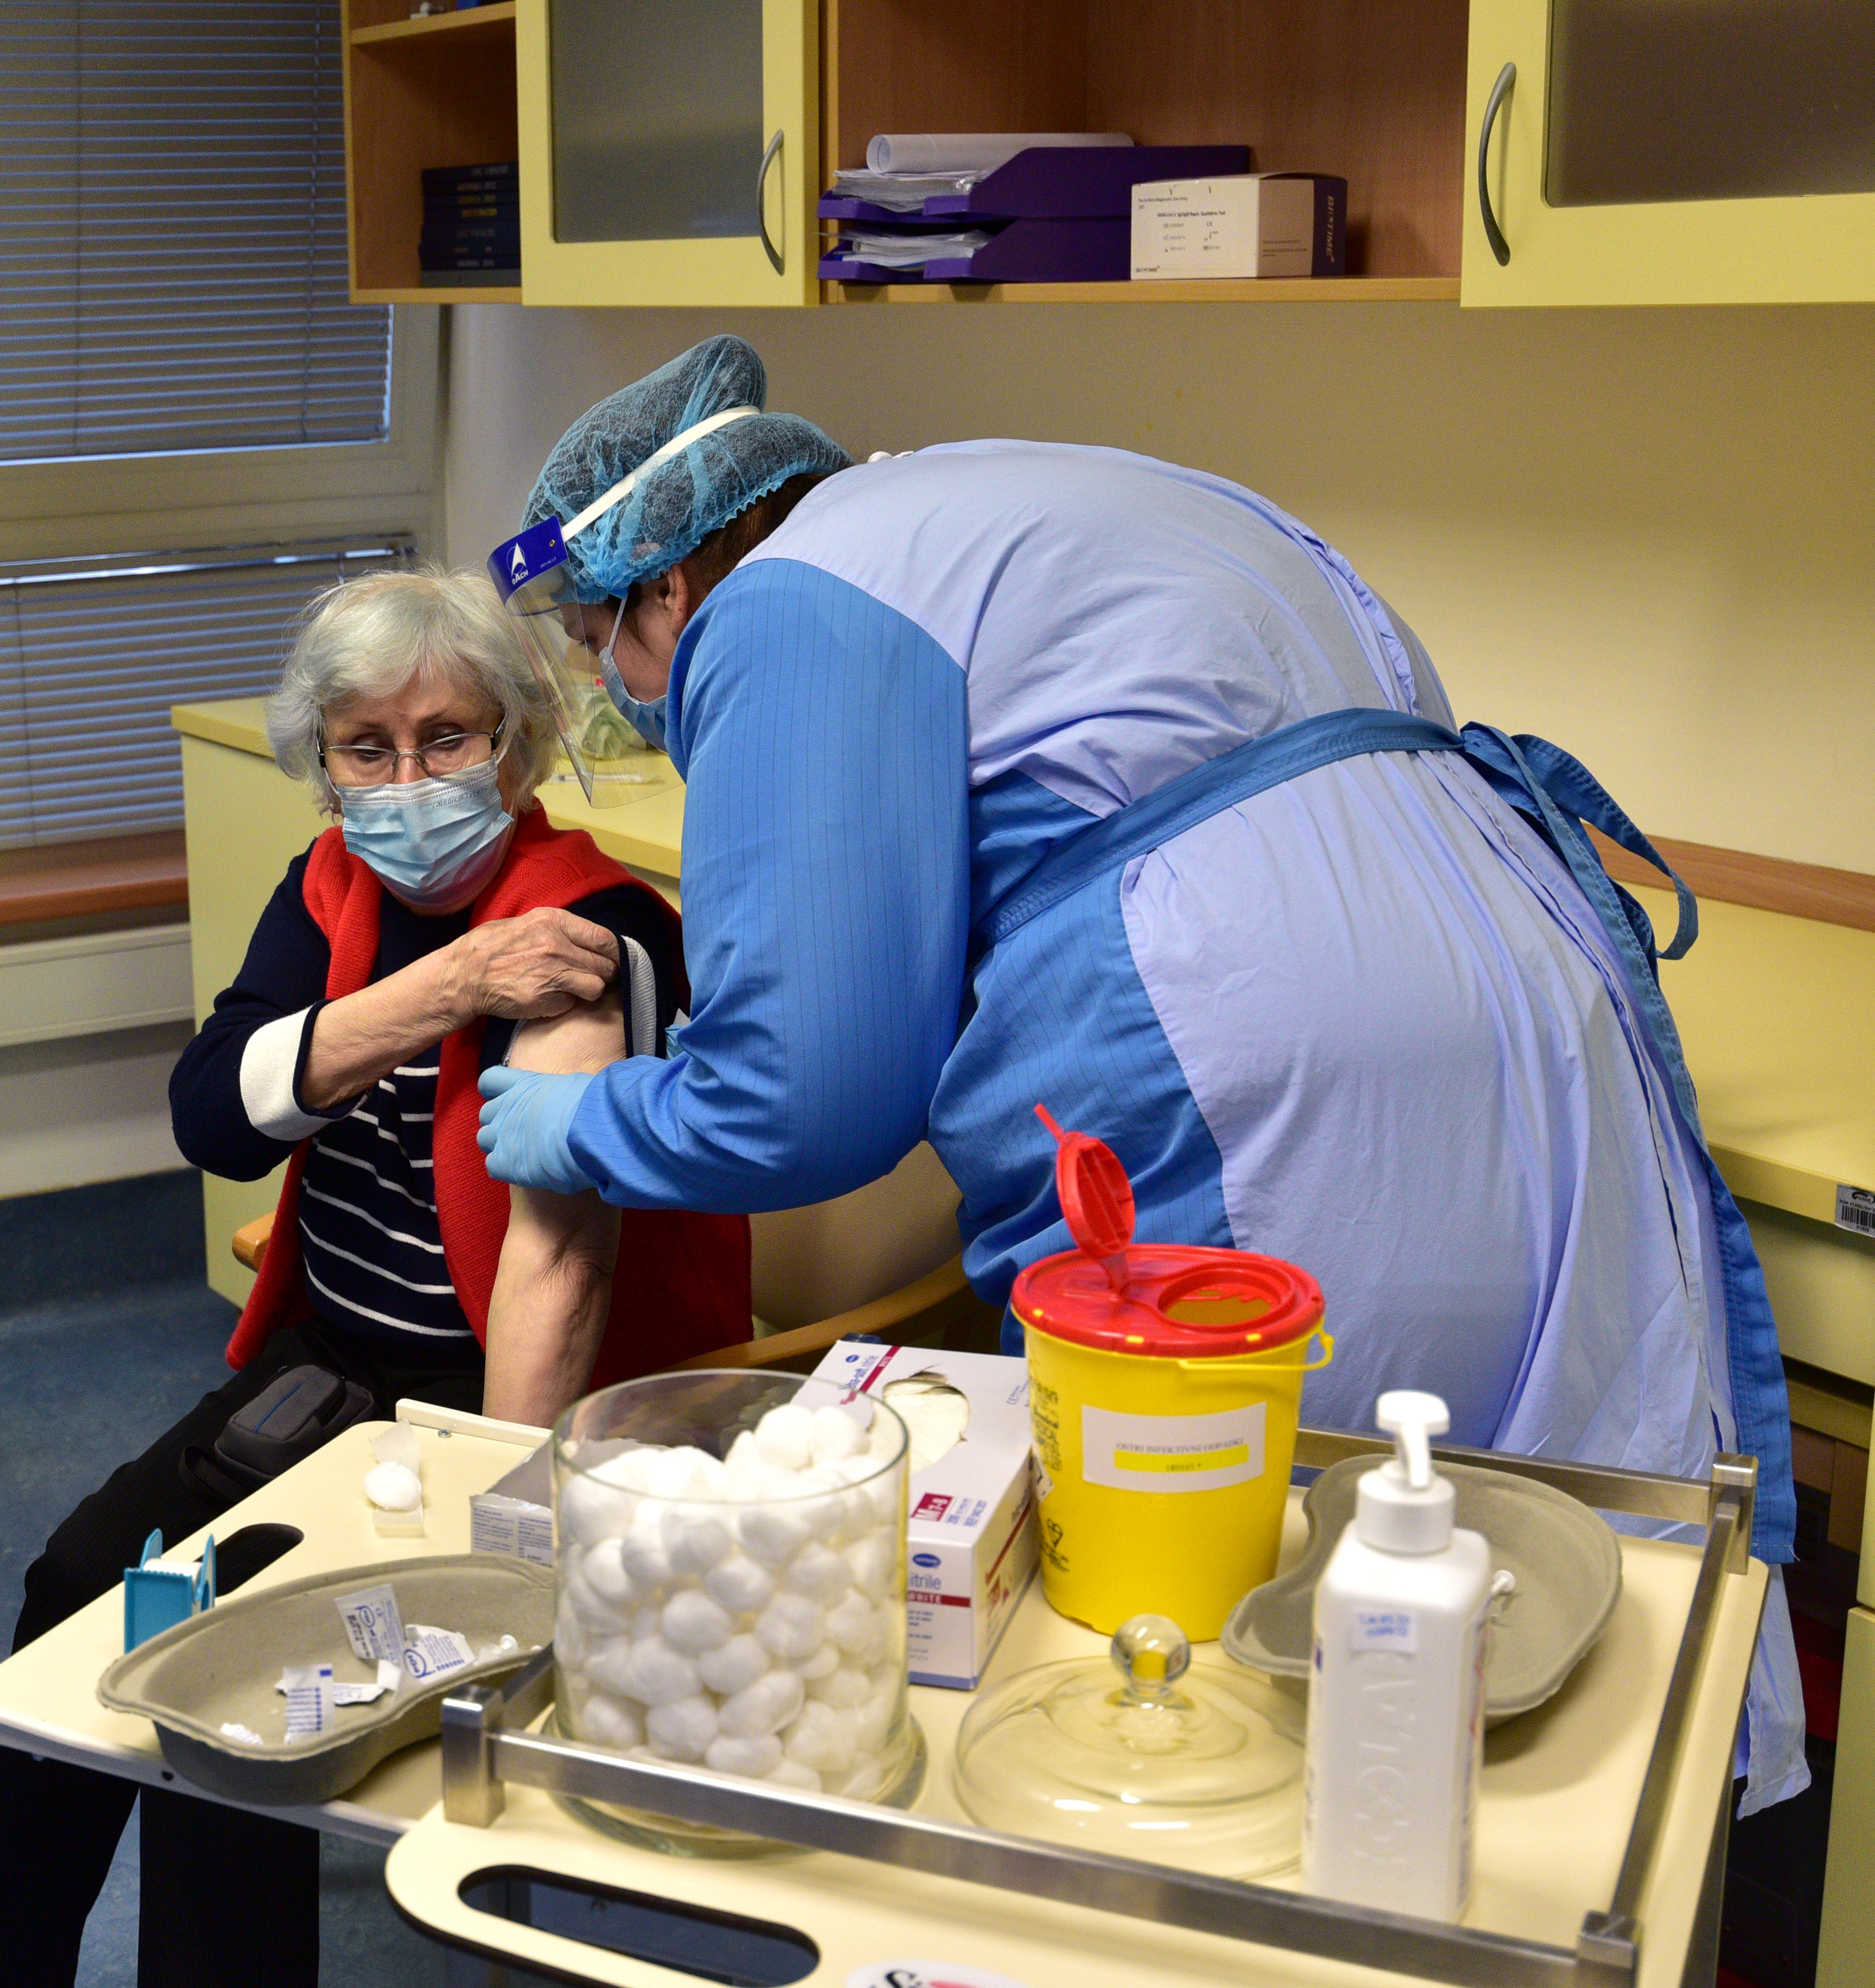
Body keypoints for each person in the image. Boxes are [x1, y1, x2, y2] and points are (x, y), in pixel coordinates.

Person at [472, 334, 1808, 1811]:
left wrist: (589, 1120)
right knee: (1515, 1569)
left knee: (1229, 1608)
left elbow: (803, 1089)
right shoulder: (1020, 497)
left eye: (606, 641)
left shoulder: (787, 604)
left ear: (668, 583)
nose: (619, 687)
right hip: (1529, 1000)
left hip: (1268, 1044)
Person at [0, 569, 750, 1986]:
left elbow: (556, 1261)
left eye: (448, 737)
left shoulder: (588, 930)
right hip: (325, 1371)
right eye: (367, 747)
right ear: (323, 765)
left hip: (500, 1403)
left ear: (519, 744)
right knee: (78, 1585)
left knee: (230, 1659)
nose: (408, 778)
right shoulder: (331, 893)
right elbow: (209, 1116)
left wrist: (500, 1516)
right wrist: (441, 988)